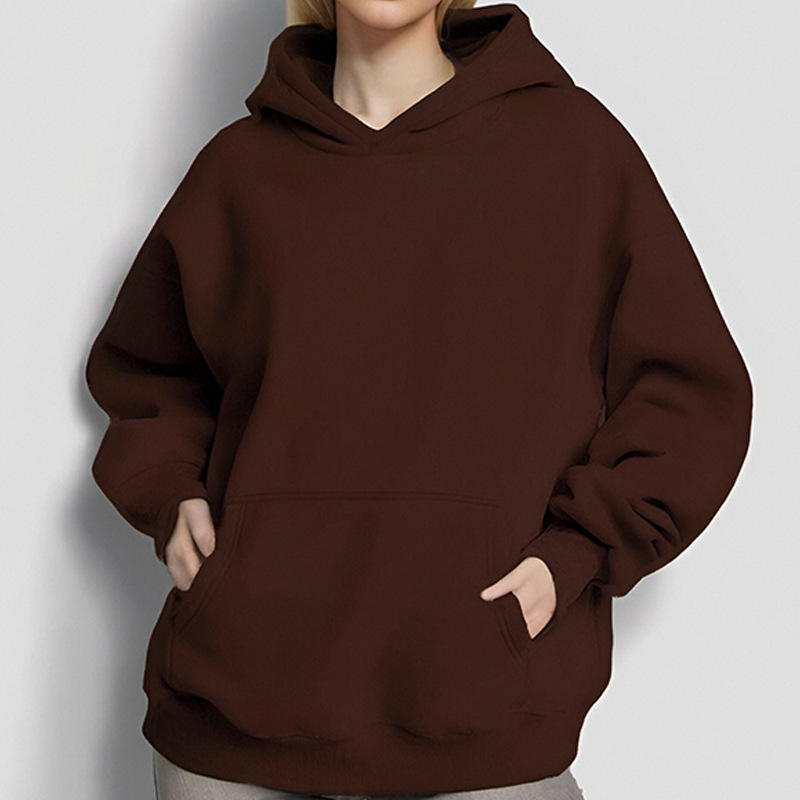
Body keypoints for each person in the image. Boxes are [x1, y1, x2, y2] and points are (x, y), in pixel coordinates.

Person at [84, 1, 753, 799]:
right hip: (232, 719)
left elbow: (692, 396)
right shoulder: (238, 170)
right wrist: (172, 493)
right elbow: (150, 372)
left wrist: (577, 550)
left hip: (482, 720)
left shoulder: (575, 152)